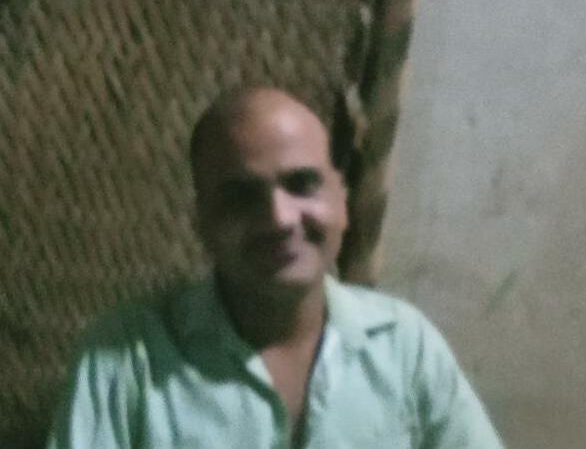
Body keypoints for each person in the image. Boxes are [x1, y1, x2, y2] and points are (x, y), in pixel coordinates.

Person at [46, 87, 504, 448]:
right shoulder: (126, 357)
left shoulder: (403, 346)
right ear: (202, 223)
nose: (280, 219)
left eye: (302, 184)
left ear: (341, 200)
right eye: (241, 197)